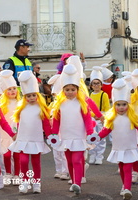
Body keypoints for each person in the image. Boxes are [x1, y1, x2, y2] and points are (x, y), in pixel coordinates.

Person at [96, 78, 138, 200]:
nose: (121, 107)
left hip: (130, 147)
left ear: (128, 105)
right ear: (114, 105)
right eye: (118, 104)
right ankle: (124, 185)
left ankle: (127, 188)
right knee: (122, 167)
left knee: (128, 167)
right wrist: (95, 138)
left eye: (124, 104)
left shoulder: (132, 118)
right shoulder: (111, 119)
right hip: (118, 148)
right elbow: (105, 131)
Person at [51, 64, 94, 195]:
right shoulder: (60, 104)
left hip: (79, 136)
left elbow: (87, 120)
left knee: (76, 160)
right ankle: (73, 180)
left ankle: (77, 183)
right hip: (66, 136)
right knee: (69, 161)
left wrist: (90, 132)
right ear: (63, 90)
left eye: (72, 89)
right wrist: (53, 134)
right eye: (67, 89)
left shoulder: (82, 103)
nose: (70, 92)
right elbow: (56, 121)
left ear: (78, 89)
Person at [8, 70, 52, 194]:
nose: (31, 98)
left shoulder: (41, 108)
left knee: (36, 162)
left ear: (37, 95)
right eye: (29, 96)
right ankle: (25, 182)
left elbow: (46, 125)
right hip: (23, 139)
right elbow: (17, 123)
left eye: (34, 95)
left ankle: (36, 182)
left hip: (36, 139)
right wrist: (15, 133)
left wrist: (50, 136)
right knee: (23, 161)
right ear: (25, 96)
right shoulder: (21, 108)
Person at [0, 70, 21, 186]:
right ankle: (8, 173)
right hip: (5, 133)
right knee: (6, 154)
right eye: (9, 89)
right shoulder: (1, 105)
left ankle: (17, 174)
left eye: (14, 88)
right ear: (4, 92)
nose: (12, 91)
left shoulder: (20, 103)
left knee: (16, 154)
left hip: (17, 131)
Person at [88, 67, 111, 165]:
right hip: (91, 118)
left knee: (100, 138)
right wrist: (93, 115)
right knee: (91, 137)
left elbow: (107, 108)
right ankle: (92, 153)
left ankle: (99, 156)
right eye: (94, 83)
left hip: (101, 117)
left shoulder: (104, 95)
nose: (96, 85)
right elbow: (88, 108)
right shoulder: (90, 95)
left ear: (101, 85)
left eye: (98, 83)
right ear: (91, 86)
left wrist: (102, 116)